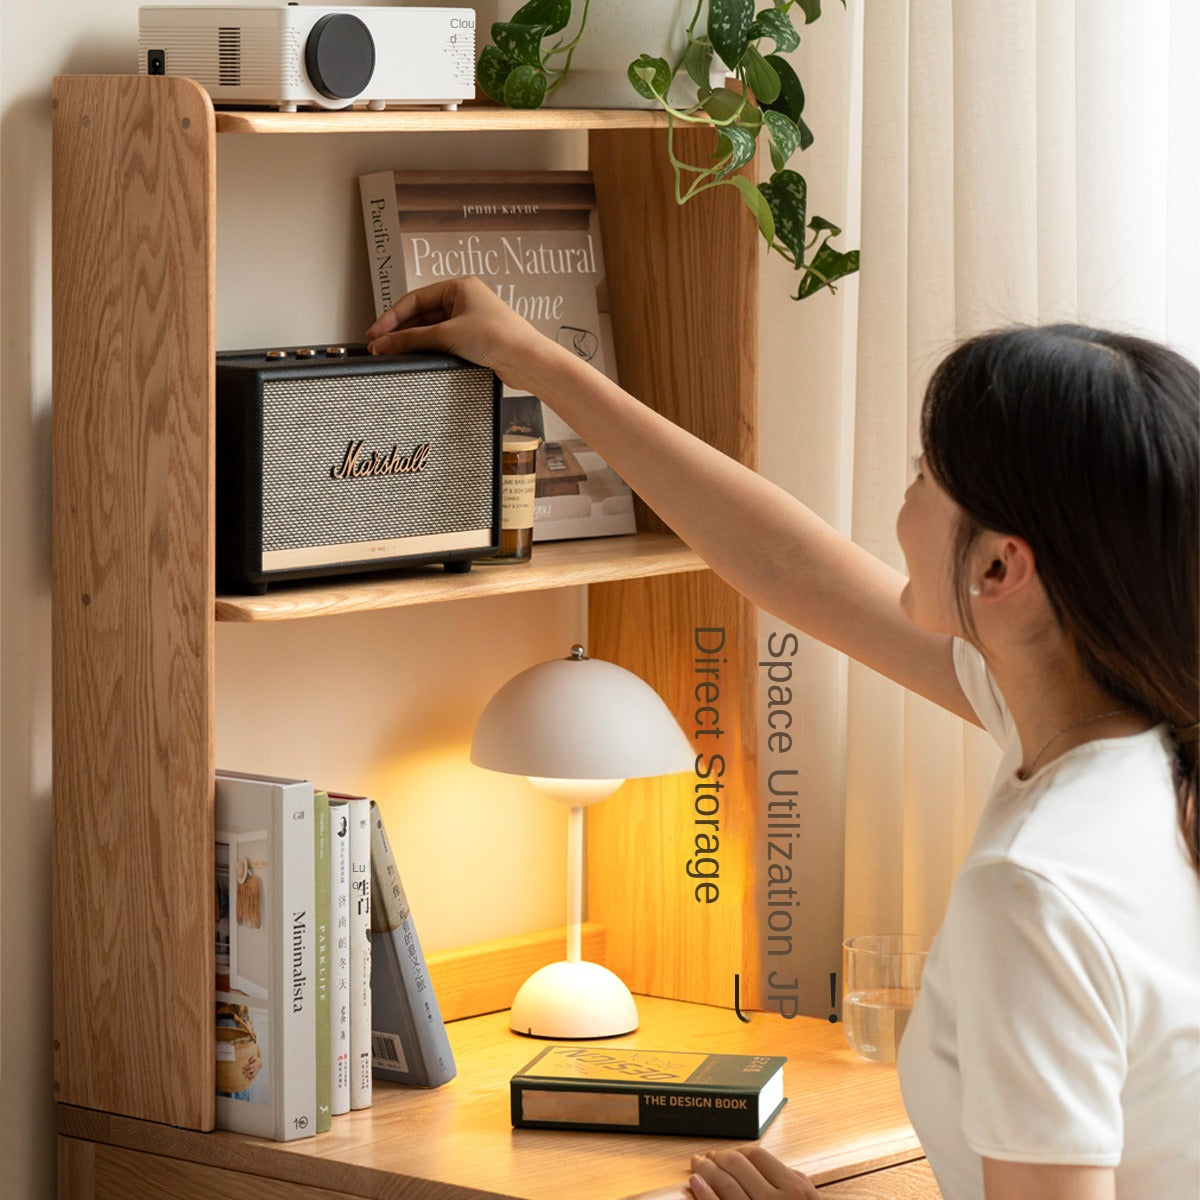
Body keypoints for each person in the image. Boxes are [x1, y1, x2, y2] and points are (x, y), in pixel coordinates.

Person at [366, 278, 1199, 1200]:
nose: (906, 494)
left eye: (925, 474)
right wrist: (534, 359)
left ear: (1001, 567)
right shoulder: (1142, 741)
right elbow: (790, 564)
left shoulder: (1035, 890)